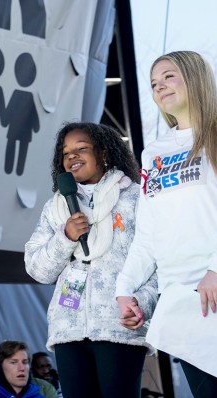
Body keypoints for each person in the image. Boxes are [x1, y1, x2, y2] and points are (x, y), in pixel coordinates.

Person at [116, 51, 217, 398]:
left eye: (168, 76)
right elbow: (148, 233)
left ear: (195, 78)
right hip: (181, 297)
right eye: (153, 83)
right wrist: (125, 288)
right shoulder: (153, 154)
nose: (160, 86)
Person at [24, 121, 155, 398]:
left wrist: (142, 302)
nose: (72, 156)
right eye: (66, 152)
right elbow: (38, 269)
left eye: (81, 148)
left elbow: (157, 261)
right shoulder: (57, 207)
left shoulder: (135, 198)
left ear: (104, 153)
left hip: (119, 326)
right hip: (68, 330)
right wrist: (65, 237)